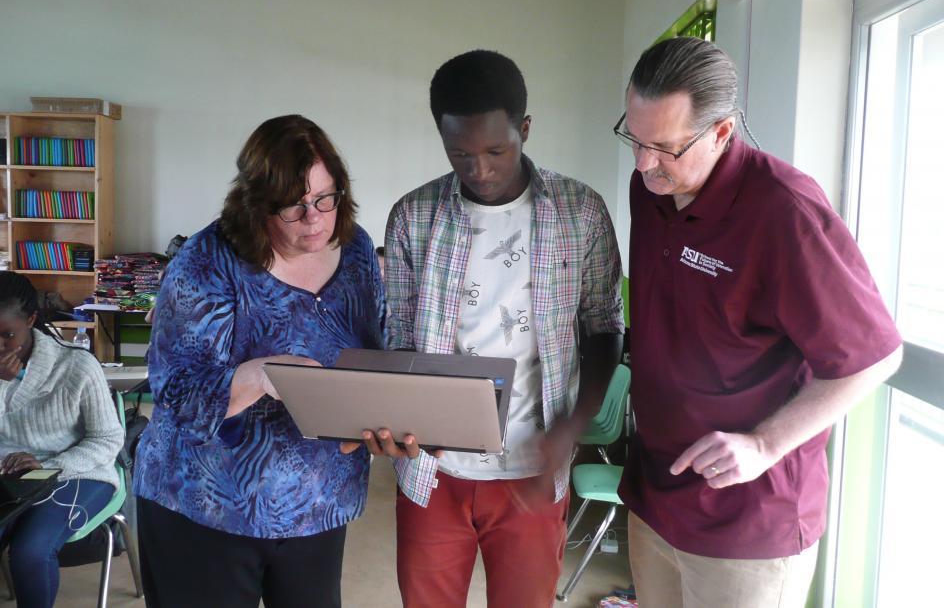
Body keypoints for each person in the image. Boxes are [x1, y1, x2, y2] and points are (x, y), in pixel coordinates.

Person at [616, 37, 903, 607]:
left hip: (749, 520)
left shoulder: (785, 211)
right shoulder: (650, 189)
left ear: (722, 132)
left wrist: (764, 445)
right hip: (658, 497)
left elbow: (875, 356)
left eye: (665, 147)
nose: (644, 163)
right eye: (634, 138)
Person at [371, 50, 624, 606]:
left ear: (525, 129)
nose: (479, 170)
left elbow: (604, 330)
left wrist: (571, 428)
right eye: (459, 154)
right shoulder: (413, 216)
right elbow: (400, 344)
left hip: (534, 466)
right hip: (432, 470)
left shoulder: (580, 211)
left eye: (495, 150)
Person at [133, 115, 385, 608]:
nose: (313, 218)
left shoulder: (355, 250)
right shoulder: (207, 262)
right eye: (292, 206)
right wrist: (262, 375)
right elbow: (176, 395)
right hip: (206, 506)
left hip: (316, 503)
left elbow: (369, 355)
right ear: (255, 204)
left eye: (324, 198)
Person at [0, 271, 124, 608]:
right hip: (9, 475)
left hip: (78, 471)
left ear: (31, 319)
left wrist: (49, 464)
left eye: (7, 335)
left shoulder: (75, 366)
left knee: (31, 551)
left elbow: (107, 440)